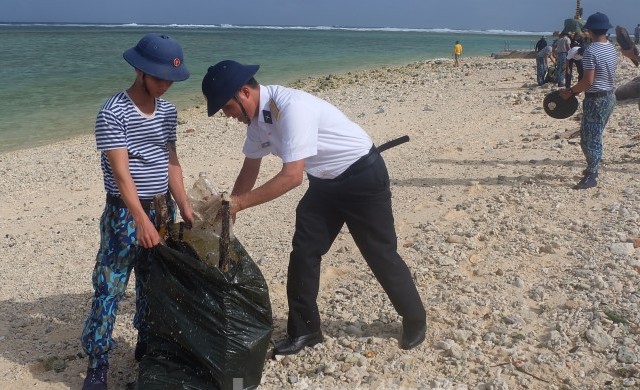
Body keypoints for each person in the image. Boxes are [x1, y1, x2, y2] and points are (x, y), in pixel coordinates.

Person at [201, 60, 427, 357]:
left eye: (227, 108)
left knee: (379, 251)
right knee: (304, 252)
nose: (228, 116)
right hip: (324, 184)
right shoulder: (256, 121)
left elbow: (292, 176)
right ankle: (306, 329)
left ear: (244, 92)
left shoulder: (293, 107)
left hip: (362, 177)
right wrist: (231, 211)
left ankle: (414, 317)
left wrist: (240, 203)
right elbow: (250, 167)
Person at [80, 33, 195, 390]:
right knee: (110, 285)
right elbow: (120, 172)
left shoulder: (169, 111)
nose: (164, 86)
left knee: (152, 281)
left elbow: (170, 161)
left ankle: (146, 345)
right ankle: (97, 363)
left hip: (163, 209)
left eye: (170, 80)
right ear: (138, 70)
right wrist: (140, 219)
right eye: (158, 77)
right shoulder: (113, 111)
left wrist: (186, 208)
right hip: (125, 214)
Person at [560, 12, 617, 190]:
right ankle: (592, 168)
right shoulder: (611, 48)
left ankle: (592, 174)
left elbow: (588, 81)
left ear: (590, 30)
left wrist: (570, 92)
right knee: (595, 133)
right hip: (610, 97)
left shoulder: (591, 50)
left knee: (589, 138)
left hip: (596, 99)